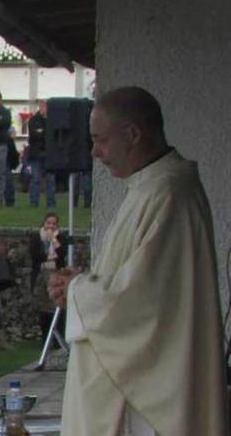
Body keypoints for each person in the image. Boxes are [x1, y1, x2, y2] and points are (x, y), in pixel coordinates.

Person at [48, 86, 228, 435]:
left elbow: (144, 302)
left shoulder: (169, 193)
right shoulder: (150, 186)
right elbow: (138, 277)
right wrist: (86, 281)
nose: (95, 152)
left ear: (132, 134)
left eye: (101, 140)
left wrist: (79, 290)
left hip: (146, 401)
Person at [29, 212, 68, 346]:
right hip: (41, 273)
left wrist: (54, 241)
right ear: (44, 223)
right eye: (48, 223)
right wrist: (50, 257)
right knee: (44, 306)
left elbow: (62, 254)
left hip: (56, 273)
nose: (51, 226)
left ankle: (58, 339)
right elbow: (35, 256)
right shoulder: (37, 237)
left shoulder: (60, 238)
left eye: (53, 223)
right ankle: (45, 338)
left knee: (58, 306)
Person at [27, 100, 56, 207]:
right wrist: (44, 133)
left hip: (50, 154)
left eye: (46, 106)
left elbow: (54, 136)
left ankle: (51, 203)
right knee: (35, 179)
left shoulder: (53, 120)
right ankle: (34, 203)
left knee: (51, 180)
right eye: (42, 106)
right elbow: (34, 136)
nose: (43, 108)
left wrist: (42, 132)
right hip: (36, 154)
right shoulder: (33, 120)